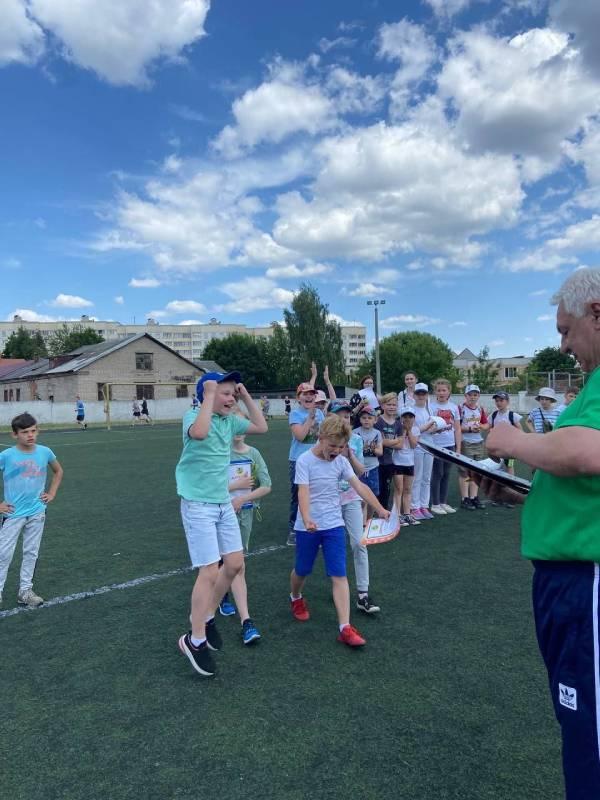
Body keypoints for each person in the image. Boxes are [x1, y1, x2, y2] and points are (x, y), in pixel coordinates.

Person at [475, 267, 600, 799]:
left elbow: (588, 453)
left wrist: (512, 442)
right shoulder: (592, 386)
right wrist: (523, 494)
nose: (564, 345)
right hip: (568, 581)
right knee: (579, 724)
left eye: (566, 331)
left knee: (590, 737)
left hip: (586, 583)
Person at [176, 371, 268, 678]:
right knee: (209, 570)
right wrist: (207, 396)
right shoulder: (193, 415)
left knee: (235, 564)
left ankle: (206, 614)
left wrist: (245, 396)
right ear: (208, 395)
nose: (231, 399)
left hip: (222, 502)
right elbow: (200, 433)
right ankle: (194, 640)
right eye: (224, 393)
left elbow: (261, 426)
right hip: (198, 504)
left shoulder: (230, 421)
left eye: (233, 393)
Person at [289, 415, 390, 647]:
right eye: (332, 445)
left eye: (341, 447)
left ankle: (345, 627)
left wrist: (380, 509)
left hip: (334, 524)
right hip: (308, 527)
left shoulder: (341, 462)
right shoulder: (305, 460)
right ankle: (295, 596)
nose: (336, 451)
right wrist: (307, 518)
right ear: (321, 437)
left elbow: (359, 486)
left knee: (339, 574)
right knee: (302, 569)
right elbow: (303, 492)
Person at [0, 412, 63, 608]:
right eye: (25, 432)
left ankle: (25, 591)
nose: (30, 435)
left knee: (31, 552)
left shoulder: (45, 452)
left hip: (37, 512)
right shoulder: (6, 455)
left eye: (33, 431)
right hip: (12, 514)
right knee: (3, 554)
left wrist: (51, 493)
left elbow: (58, 471)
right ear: (14, 434)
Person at [219, 416, 272, 645]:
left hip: (245, 514)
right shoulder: (220, 453)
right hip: (220, 513)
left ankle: (227, 599)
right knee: (225, 560)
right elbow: (208, 485)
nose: (239, 430)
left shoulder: (254, 454)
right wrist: (234, 487)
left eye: (243, 426)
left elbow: (266, 485)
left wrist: (243, 499)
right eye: (235, 426)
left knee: (236, 562)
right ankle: (240, 614)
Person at [329, 400, 380, 614]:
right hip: (329, 500)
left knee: (359, 543)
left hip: (350, 498)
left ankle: (363, 594)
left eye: (348, 416)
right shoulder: (324, 440)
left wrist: (349, 454)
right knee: (334, 546)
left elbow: (360, 472)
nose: (345, 419)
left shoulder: (356, 440)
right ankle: (337, 585)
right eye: (340, 415)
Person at [287, 383, 324, 546]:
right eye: (305, 394)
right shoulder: (295, 414)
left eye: (311, 394)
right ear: (298, 398)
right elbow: (301, 436)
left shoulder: (320, 413)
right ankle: (293, 530)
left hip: (316, 459)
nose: (309, 397)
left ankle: (315, 526)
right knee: (298, 496)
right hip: (298, 460)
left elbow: (322, 436)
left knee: (316, 494)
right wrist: (310, 418)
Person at [429, 378, 461, 514]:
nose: (441, 393)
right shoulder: (430, 406)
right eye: (439, 390)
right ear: (435, 392)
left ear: (449, 392)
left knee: (446, 474)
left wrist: (458, 448)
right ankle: (435, 504)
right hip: (436, 445)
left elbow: (457, 429)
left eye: (444, 390)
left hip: (450, 445)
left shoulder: (454, 407)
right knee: (437, 473)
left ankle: (443, 502)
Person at [458, 384, 489, 510]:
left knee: (476, 471)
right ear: (465, 396)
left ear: (478, 396)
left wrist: (480, 426)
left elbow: (486, 424)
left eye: (475, 395)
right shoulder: (460, 409)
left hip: (478, 442)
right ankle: (465, 498)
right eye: (470, 395)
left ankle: (474, 497)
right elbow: (457, 427)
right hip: (466, 442)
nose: (473, 397)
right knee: (465, 472)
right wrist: (469, 429)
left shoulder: (480, 409)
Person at [410, 383, 436, 520]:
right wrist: (426, 427)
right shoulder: (411, 411)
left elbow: (432, 428)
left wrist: (436, 428)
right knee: (417, 477)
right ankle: (415, 506)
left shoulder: (430, 409)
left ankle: (424, 505)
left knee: (427, 478)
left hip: (430, 446)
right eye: (418, 393)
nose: (421, 396)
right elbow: (412, 431)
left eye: (423, 393)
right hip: (418, 446)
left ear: (427, 395)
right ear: (414, 395)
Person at [392, 406, 421, 525]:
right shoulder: (396, 428)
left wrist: (409, 431)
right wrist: (403, 431)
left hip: (410, 463)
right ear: (401, 418)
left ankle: (407, 514)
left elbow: (414, 445)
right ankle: (397, 515)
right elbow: (398, 445)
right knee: (399, 489)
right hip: (397, 462)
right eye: (405, 416)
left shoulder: (416, 430)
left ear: (414, 418)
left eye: (410, 417)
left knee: (408, 489)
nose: (408, 419)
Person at [375, 392, 403, 510]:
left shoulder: (398, 424)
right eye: (389, 404)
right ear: (382, 406)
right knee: (377, 489)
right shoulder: (378, 421)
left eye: (394, 405)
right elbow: (381, 442)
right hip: (377, 462)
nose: (391, 407)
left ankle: (384, 513)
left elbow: (400, 445)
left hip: (389, 462)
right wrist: (395, 440)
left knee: (386, 490)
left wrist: (390, 442)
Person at [355, 406, 383, 522]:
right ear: (360, 419)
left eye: (369, 418)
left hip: (373, 469)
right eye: (364, 418)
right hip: (359, 470)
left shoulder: (377, 433)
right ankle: (362, 523)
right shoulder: (355, 432)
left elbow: (380, 452)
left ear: (375, 420)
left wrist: (370, 448)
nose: (366, 420)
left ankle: (369, 521)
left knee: (372, 496)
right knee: (362, 499)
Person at [489, 391, 523, 476]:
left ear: (507, 402)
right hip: (496, 447)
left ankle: (510, 481)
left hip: (509, 449)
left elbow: (520, 430)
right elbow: (489, 427)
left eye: (501, 400)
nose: (499, 403)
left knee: (509, 466)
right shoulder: (493, 415)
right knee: (496, 464)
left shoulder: (512, 415)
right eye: (497, 401)